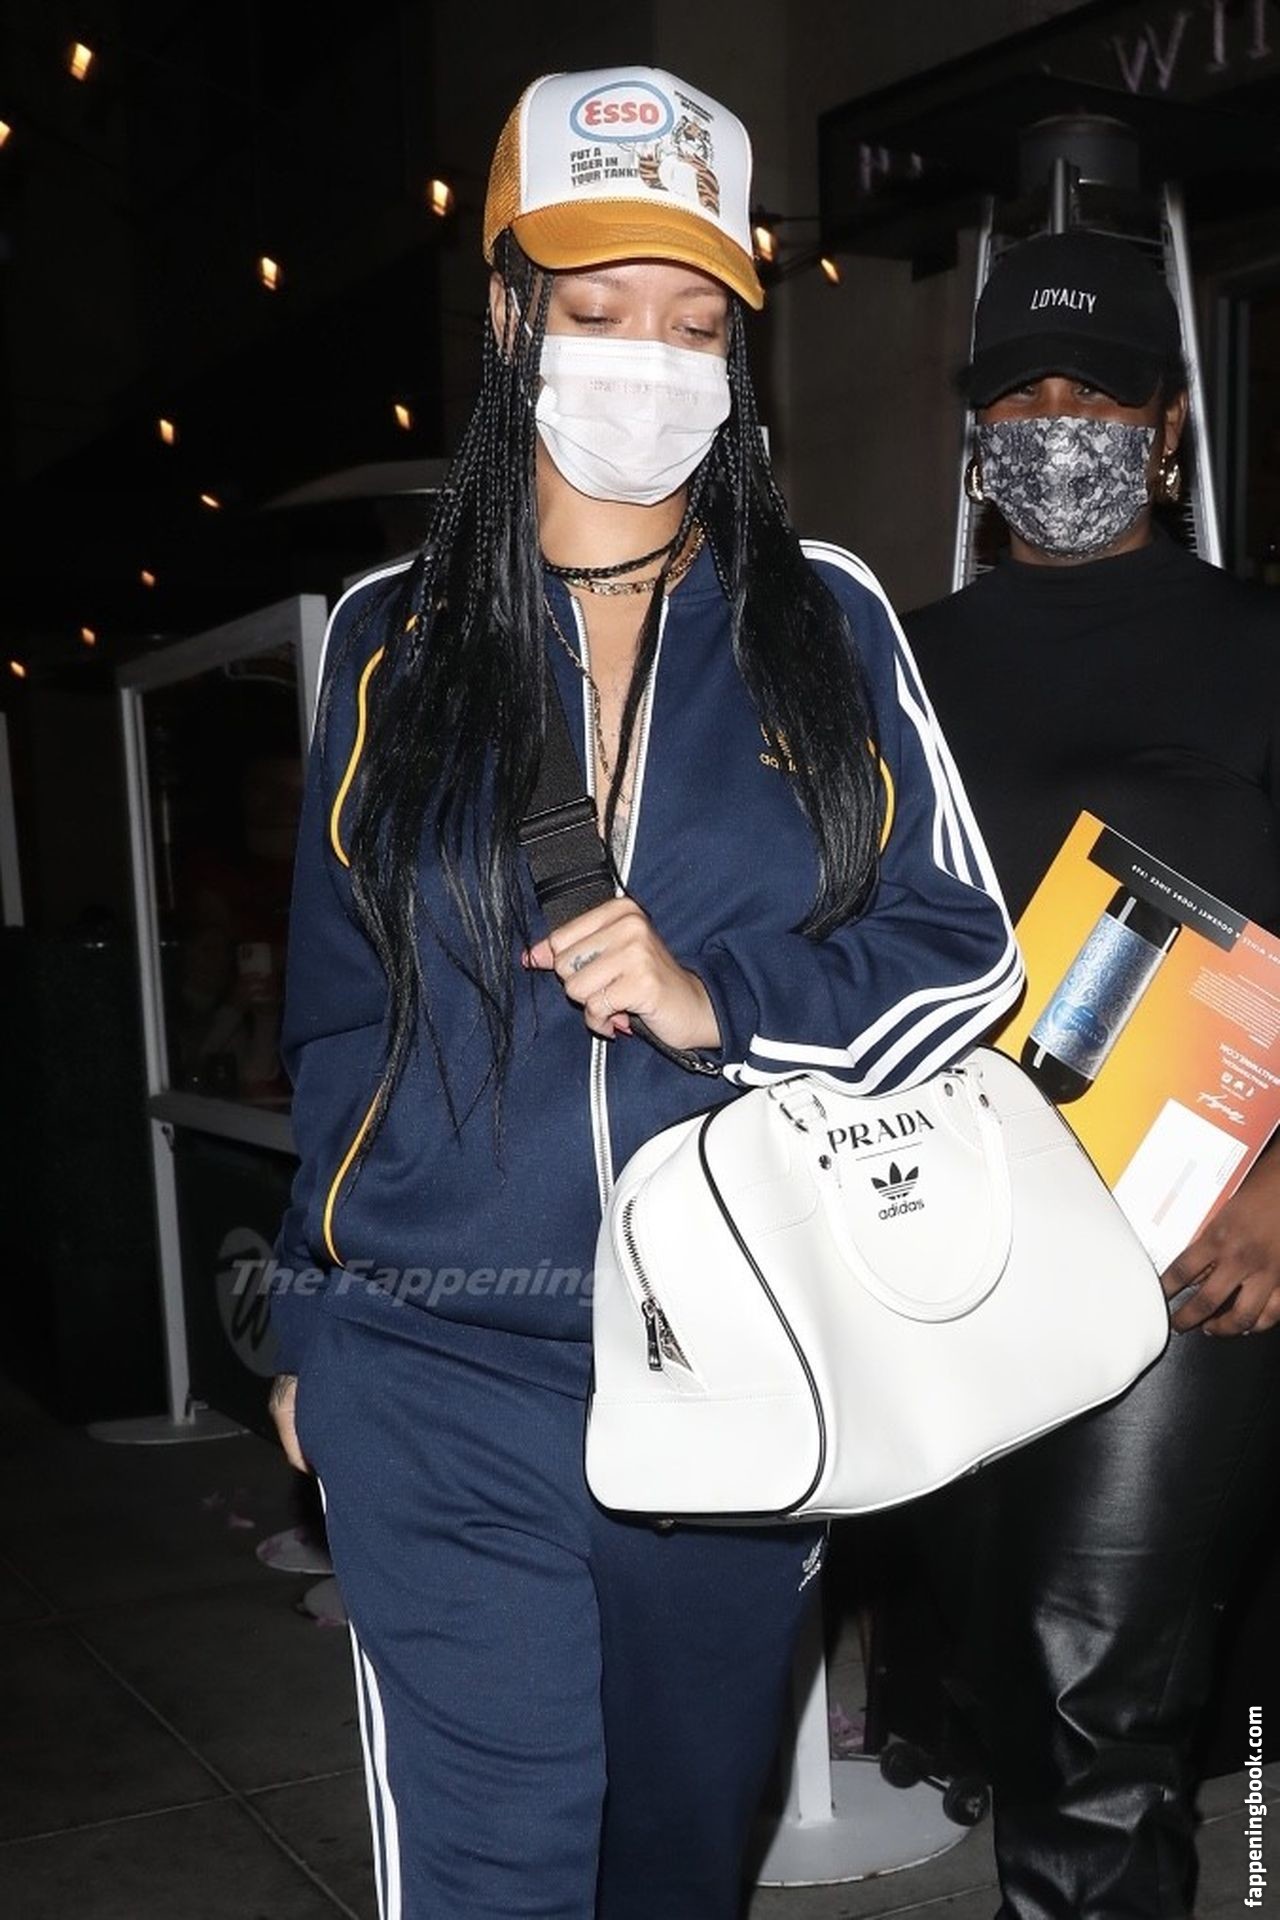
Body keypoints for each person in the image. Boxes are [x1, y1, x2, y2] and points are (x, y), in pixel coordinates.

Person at [267, 63, 1021, 1920]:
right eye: (598, 308)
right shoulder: (387, 638)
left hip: (737, 1360)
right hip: (438, 1351)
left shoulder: (825, 617)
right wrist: (308, 1316)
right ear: (508, 313)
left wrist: (719, 997)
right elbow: (342, 1016)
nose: (648, 360)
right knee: (497, 1865)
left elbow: (967, 949)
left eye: (694, 324)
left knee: (673, 1862)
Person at [906, 228, 1280, 1920]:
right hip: (951, 1226)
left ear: (1170, 426)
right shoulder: (896, 661)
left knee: (1090, 1687)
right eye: (1020, 392)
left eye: (1101, 391)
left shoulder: (1259, 646)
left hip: (1190, 1234)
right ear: (975, 428)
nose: (1058, 422)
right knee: (1005, 1676)